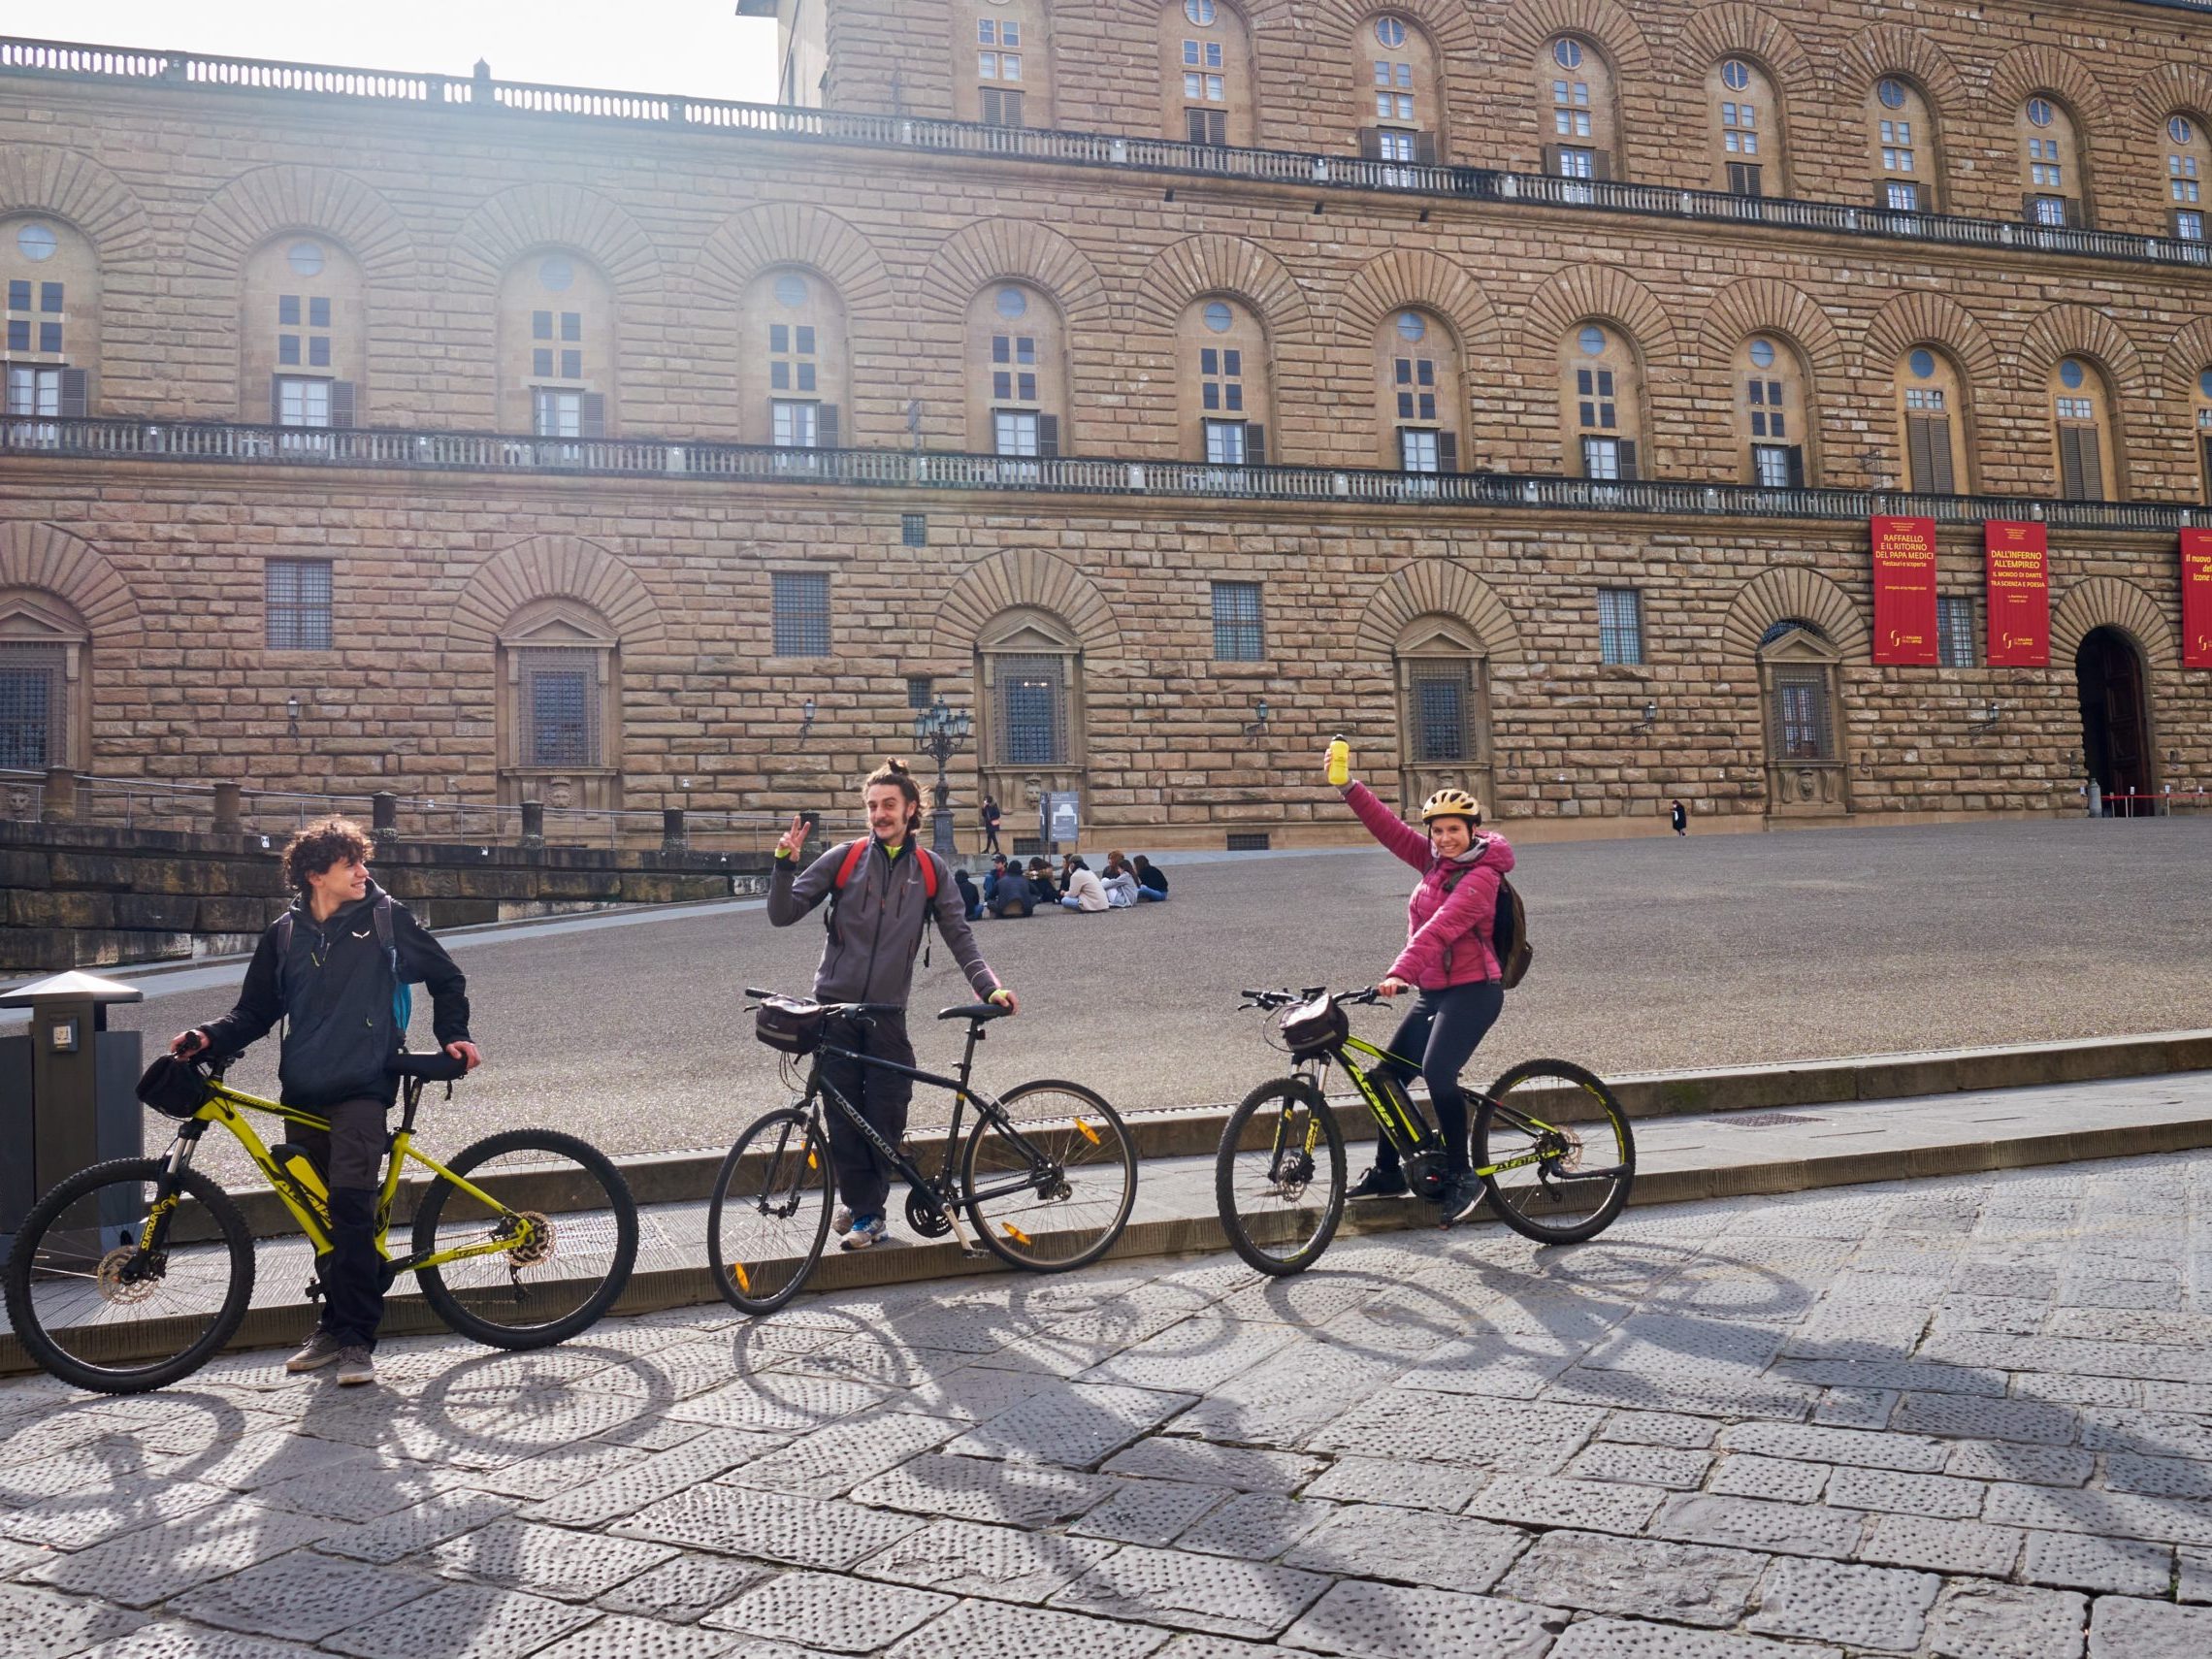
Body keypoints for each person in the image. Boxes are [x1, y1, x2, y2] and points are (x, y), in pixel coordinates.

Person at [170, 818, 479, 1387]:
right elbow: (255, 1012)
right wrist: (210, 1035)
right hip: (303, 1088)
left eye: (362, 862)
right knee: (320, 1214)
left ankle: (358, 1340)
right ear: (316, 876)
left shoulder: (386, 920)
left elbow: (445, 976)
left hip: (366, 1082)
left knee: (350, 1203)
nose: (364, 873)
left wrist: (452, 1033)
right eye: (351, 865)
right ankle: (334, 1324)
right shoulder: (285, 935)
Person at [767, 759, 1017, 1251]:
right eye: (872, 806)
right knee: (841, 1118)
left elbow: (959, 935)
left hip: (885, 1014)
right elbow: (782, 913)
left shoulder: (930, 870)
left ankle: (864, 1203)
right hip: (834, 1010)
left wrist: (988, 986)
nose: (878, 814)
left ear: (910, 811)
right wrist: (783, 863)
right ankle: (867, 1211)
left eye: (888, 805)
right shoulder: (844, 858)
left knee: (885, 1112)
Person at [1332, 745, 1513, 1224]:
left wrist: (1398, 973)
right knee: (1384, 1079)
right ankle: (1389, 1172)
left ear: (1473, 831)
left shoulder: (1481, 877)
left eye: (1454, 830)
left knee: (1437, 1075)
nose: (1445, 838)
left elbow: (1441, 929)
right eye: (1438, 831)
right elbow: (1387, 828)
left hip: (1474, 990)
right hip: (1435, 992)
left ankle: (1463, 1173)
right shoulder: (1435, 862)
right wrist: (1348, 786)